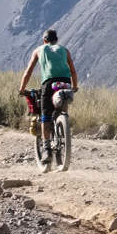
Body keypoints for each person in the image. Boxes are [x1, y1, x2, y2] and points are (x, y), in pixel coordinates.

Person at [17, 30, 80, 170]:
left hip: (49, 84)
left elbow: (28, 72)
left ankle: (46, 151)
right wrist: (75, 87)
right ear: (56, 40)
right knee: (62, 107)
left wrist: (22, 89)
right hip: (65, 83)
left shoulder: (39, 50)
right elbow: (73, 72)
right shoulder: (65, 50)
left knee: (45, 116)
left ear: (44, 40)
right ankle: (63, 125)